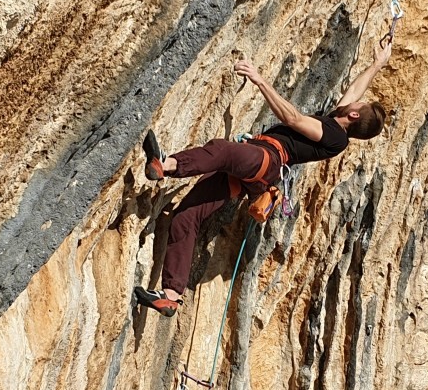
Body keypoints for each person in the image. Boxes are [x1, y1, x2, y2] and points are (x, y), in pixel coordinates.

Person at [134, 41, 392, 316]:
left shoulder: (335, 136)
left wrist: (259, 80)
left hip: (267, 159)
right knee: (188, 215)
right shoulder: (337, 124)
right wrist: (377, 64)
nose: (354, 98)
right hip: (256, 172)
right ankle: (171, 296)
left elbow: (293, 118)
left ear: (354, 114)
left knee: (222, 151)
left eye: (358, 104)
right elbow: (354, 91)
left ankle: (166, 164)